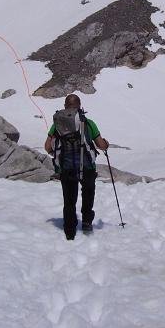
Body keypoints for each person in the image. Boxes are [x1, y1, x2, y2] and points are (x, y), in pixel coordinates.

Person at [44, 94, 109, 240]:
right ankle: (86, 222)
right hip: (87, 167)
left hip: (66, 167)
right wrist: (106, 144)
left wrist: (56, 154)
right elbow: (101, 145)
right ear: (79, 105)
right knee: (88, 193)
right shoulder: (88, 122)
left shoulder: (57, 124)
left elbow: (47, 146)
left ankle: (69, 231)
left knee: (69, 200)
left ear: (65, 106)